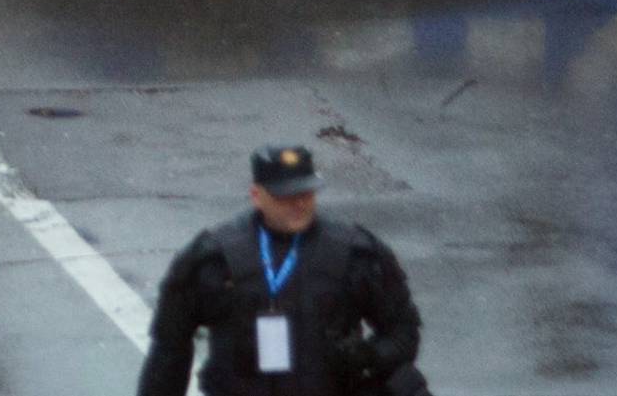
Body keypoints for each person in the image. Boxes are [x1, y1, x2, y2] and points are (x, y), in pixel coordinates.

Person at [139, 143, 427, 396]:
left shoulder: (356, 254)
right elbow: (169, 349)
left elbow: (403, 332)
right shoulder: (212, 258)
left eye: (305, 193)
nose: (299, 204)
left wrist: (368, 356)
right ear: (257, 195)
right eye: (285, 196)